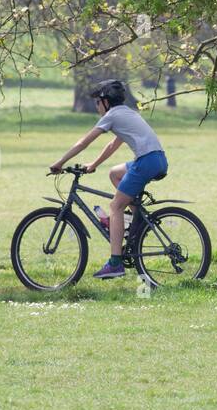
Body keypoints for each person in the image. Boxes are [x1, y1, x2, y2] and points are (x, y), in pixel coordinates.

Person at [49, 79, 168, 280]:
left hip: (146, 162)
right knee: (115, 173)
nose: (96, 107)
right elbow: (113, 145)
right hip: (158, 160)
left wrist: (60, 162)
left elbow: (83, 142)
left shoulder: (112, 115)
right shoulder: (127, 113)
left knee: (115, 207)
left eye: (97, 102)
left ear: (105, 101)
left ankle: (115, 263)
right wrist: (94, 164)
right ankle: (135, 220)